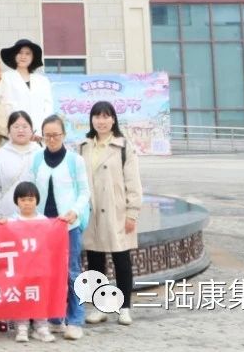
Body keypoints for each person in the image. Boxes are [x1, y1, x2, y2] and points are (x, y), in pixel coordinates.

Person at [80, 100, 142, 327]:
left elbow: (133, 183)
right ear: (91, 120)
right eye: (97, 116)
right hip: (93, 212)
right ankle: (100, 307)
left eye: (106, 116)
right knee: (95, 262)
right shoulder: (84, 147)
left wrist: (132, 213)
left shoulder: (123, 146)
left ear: (113, 119)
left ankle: (124, 308)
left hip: (117, 212)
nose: (101, 121)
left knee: (121, 261)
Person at [30, 115, 91, 341]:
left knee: (72, 272)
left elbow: (84, 192)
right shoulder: (36, 159)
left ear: (64, 135)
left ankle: (75, 320)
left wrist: (75, 211)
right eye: (47, 135)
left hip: (68, 226)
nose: (52, 139)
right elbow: (30, 190)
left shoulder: (75, 160)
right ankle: (54, 318)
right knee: (47, 273)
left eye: (56, 135)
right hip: (43, 227)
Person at [6, 182, 54, 343]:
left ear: (37, 200)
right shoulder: (12, 221)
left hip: (40, 269)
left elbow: (51, 241)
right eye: (23, 199)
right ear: (16, 201)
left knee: (41, 296)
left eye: (30, 199)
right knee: (22, 296)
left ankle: (41, 327)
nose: (27, 203)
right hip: (20, 269)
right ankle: (22, 327)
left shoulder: (44, 220)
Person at [0, 111, 43, 220]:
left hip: (36, 218)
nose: (20, 130)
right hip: (6, 216)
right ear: (9, 130)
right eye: (16, 126)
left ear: (31, 130)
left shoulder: (40, 153)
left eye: (25, 126)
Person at [0, 39, 55, 137]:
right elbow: (6, 105)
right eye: (20, 53)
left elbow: (48, 106)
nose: (23, 56)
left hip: (39, 132)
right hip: (16, 131)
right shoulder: (6, 78)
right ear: (14, 55)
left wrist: (41, 128)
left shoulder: (42, 80)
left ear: (33, 57)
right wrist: (20, 127)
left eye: (27, 53)